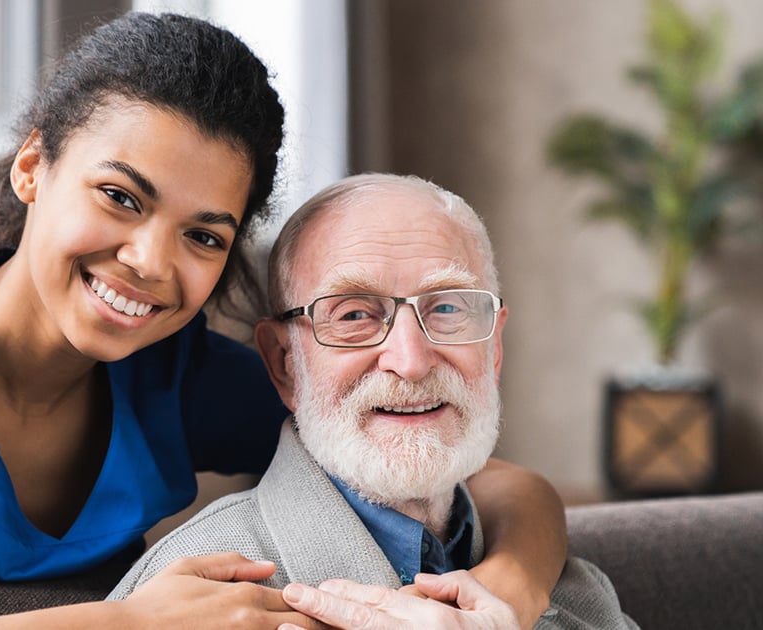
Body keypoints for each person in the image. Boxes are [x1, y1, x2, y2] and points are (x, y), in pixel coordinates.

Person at [0, 13, 566, 629]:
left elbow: (500, 483)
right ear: (34, 167)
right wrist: (125, 625)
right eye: (119, 196)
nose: (149, 261)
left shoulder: (174, 372)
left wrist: (506, 594)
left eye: (202, 235)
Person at [110, 173, 638, 629]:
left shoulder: (574, 589)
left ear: (494, 348)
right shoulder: (197, 597)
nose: (410, 360)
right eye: (354, 315)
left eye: (449, 308)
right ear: (283, 362)